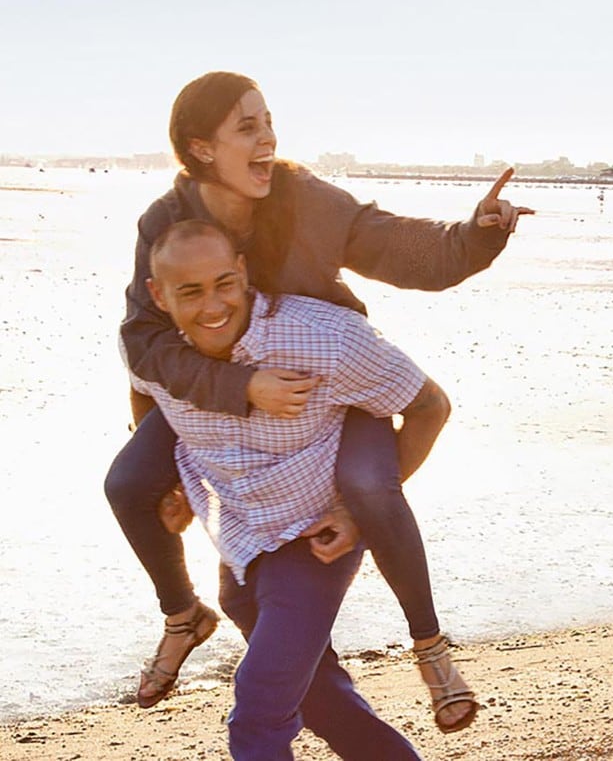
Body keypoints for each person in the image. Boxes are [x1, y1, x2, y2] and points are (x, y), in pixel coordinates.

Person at [104, 71, 525, 730]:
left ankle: (431, 649)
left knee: (364, 480)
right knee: (129, 480)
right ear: (203, 148)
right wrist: (188, 451)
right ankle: (182, 614)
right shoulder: (166, 222)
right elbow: (144, 341)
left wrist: (477, 234)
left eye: (268, 121)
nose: (268, 138)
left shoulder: (300, 198)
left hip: (324, 382)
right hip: (221, 387)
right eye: (247, 127)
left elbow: (396, 246)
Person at [133, 218, 448, 759]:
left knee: (257, 713)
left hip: (314, 543)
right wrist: (177, 481)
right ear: (158, 295)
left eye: (223, 284)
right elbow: (146, 395)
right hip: (240, 548)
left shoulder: (323, 338)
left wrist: (356, 512)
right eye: (190, 291)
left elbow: (428, 407)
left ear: (243, 273)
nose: (212, 306)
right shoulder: (154, 352)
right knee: (326, 703)